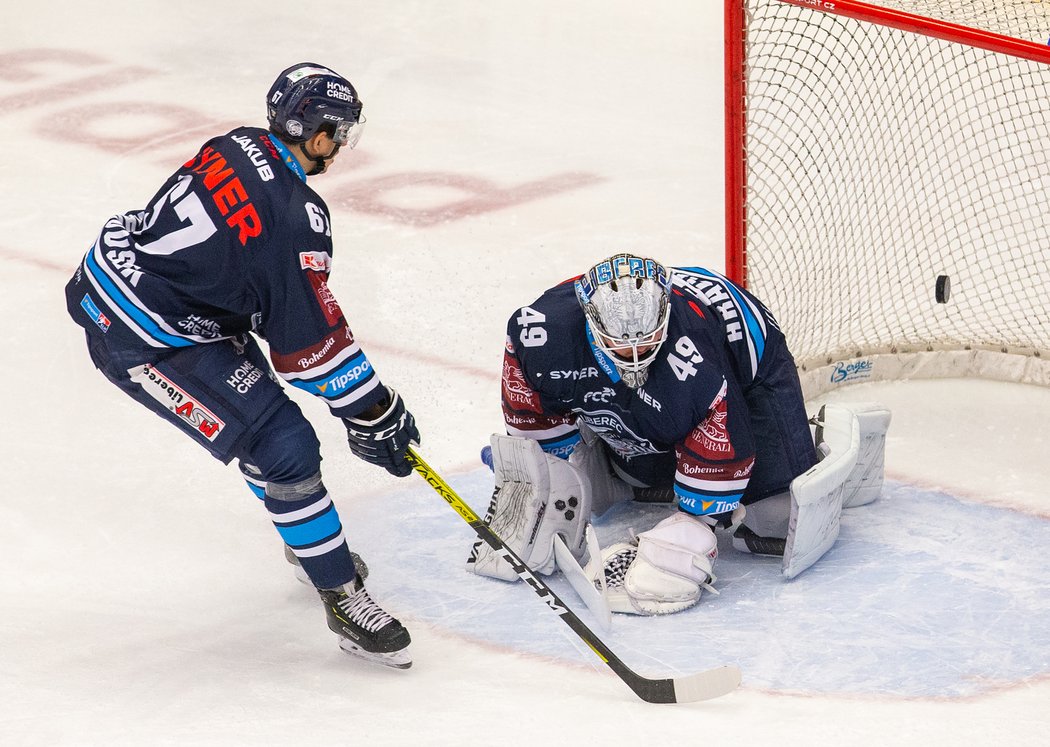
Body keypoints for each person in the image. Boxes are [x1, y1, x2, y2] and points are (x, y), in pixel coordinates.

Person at [64, 63, 419, 668]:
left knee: (264, 428)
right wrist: (373, 410)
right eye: (337, 132)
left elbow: (245, 278)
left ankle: (306, 544)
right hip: (145, 338)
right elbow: (309, 349)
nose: (338, 149)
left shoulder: (238, 143)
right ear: (310, 128)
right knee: (283, 446)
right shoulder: (294, 218)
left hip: (138, 286)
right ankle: (341, 592)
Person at [469, 252, 830, 615]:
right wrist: (538, 467)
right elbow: (531, 412)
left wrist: (694, 525)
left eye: (646, 342)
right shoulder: (540, 332)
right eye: (621, 345)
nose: (635, 353)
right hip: (657, 375)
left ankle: (805, 443)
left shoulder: (693, 350)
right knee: (641, 470)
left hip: (749, 368)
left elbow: (723, 440)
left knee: (772, 520)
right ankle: (622, 468)